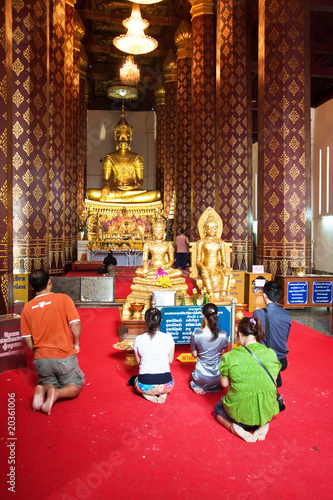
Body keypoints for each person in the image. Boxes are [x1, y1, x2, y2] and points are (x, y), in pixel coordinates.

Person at [20, 270, 84, 415]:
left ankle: (43, 389)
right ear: (49, 282)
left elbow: (26, 336)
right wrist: (77, 343)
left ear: (31, 287)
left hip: (42, 358)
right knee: (75, 385)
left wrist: (35, 352)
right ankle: (57, 394)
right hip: (63, 356)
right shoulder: (63, 299)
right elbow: (75, 324)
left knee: (48, 381)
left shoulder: (27, 308)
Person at [214, 316, 281, 442]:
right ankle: (263, 423)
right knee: (262, 402)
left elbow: (224, 384)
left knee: (218, 409)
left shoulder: (230, 356)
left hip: (238, 415)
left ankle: (233, 427)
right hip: (264, 411)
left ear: (240, 334)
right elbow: (274, 379)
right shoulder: (271, 353)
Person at [86, 106, 160, 203]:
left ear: (130, 138)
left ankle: (119, 200)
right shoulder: (109, 157)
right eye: (120, 138)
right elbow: (105, 180)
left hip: (132, 191)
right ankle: (124, 200)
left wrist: (137, 186)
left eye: (126, 138)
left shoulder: (137, 158)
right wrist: (105, 186)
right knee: (90, 193)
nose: (123, 141)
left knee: (156, 194)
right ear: (116, 138)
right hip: (115, 190)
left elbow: (140, 180)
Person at [253, 280, 291, 387]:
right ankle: (274, 373)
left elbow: (253, 335)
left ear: (264, 295)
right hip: (281, 359)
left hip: (263, 359)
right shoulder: (286, 315)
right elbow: (285, 337)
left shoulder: (258, 313)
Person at [133, 308, 175, 404]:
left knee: (136, 381)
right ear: (161, 320)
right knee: (169, 384)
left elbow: (139, 362)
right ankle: (163, 393)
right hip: (166, 384)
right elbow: (170, 361)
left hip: (145, 385)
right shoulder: (168, 338)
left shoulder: (138, 339)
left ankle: (147, 394)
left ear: (146, 321)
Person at [190, 303, 228, 394]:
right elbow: (222, 352)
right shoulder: (224, 335)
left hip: (201, 379)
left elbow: (194, 355)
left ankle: (197, 386)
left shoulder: (196, 335)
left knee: (192, 377)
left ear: (202, 316)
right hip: (218, 380)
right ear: (217, 315)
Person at [195, 209, 232, 302]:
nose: (212, 230)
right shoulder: (201, 242)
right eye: (209, 228)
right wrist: (202, 267)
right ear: (205, 229)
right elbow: (198, 260)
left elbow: (223, 259)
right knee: (205, 273)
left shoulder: (220, 242)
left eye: (214, 228)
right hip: (207, 267)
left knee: (226, 273)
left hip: (217, 267)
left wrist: (226, 267)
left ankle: (222, 294)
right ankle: (211, 294)